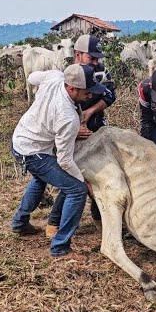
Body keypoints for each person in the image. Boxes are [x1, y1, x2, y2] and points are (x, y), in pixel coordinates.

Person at [10, 63, 106, 257]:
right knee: (76, 191)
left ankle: (20, 223)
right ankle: (60, 247)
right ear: (71, 88)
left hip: (21, 138)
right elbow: (64, 160)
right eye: (87, 92)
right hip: (34, 152)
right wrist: (83, 180)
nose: (91, 95)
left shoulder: (54, 77)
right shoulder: (68, 118)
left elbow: (31, 77)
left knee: (39, 178)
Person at [45, 34, 117, 238]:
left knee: (99, 175)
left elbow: (110, 95)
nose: (96, 62)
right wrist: (74, 128)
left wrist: (91, 111)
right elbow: (57, 109)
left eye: (97, 58)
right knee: (74, 179)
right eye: (91, 58)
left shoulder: (102, 72)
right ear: (77, 55)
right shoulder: (65, 74)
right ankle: (54, 223)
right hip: (71, 135)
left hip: (95, 131)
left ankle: (100, 220)